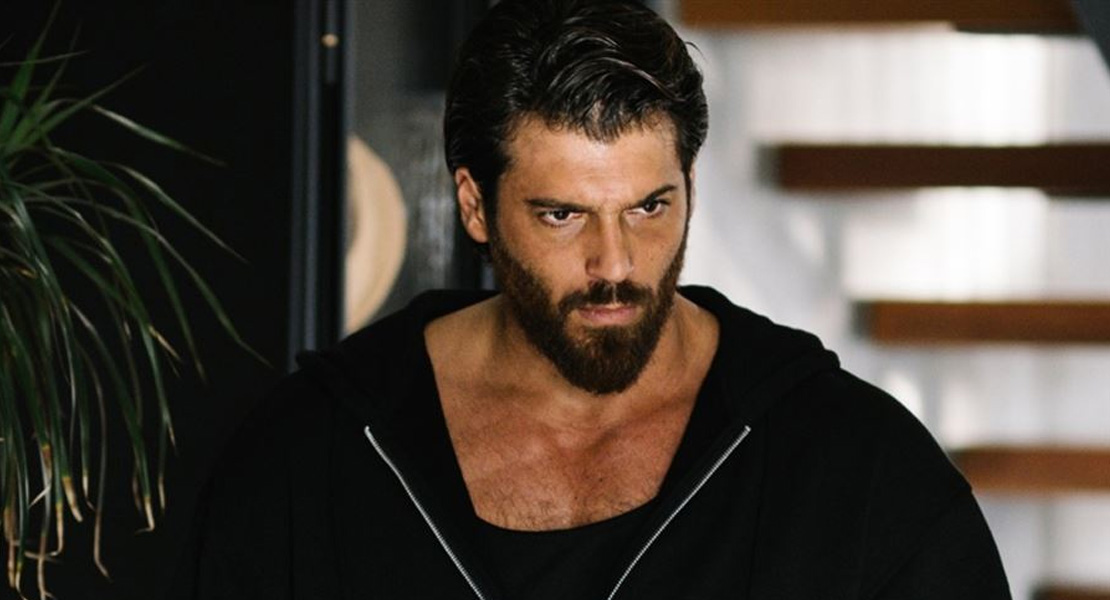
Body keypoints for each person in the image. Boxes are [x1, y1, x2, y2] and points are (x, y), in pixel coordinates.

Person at [173, 1, 1011, 598]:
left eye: (649, 207)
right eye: (562, 215)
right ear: (474, 206)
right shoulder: (307, 462)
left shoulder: (855, 470)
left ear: (690, 186)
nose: (616, 263)